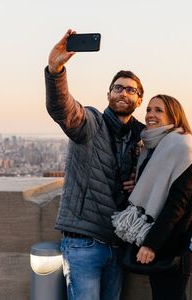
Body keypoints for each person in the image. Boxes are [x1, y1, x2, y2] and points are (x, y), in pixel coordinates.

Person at [45, 29, 145, 300]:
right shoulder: (91, 123)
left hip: (118, 244)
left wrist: (141, 180)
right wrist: (56, 71)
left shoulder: (144, 137)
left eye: (130, 89)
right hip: (83, 242)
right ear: (109, 94)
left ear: (139, 99)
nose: (123, 92)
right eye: (118, 87)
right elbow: (63, 110)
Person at [112, 94, 192, 300]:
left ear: (174, 116)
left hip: (174, 242)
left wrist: (151, 244)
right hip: (159, 236)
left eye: (158, 110)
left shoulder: (182, 148)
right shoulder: (152, 148)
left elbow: (177, 205)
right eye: (148, 110)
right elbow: (157, 188)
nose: (150, 114)